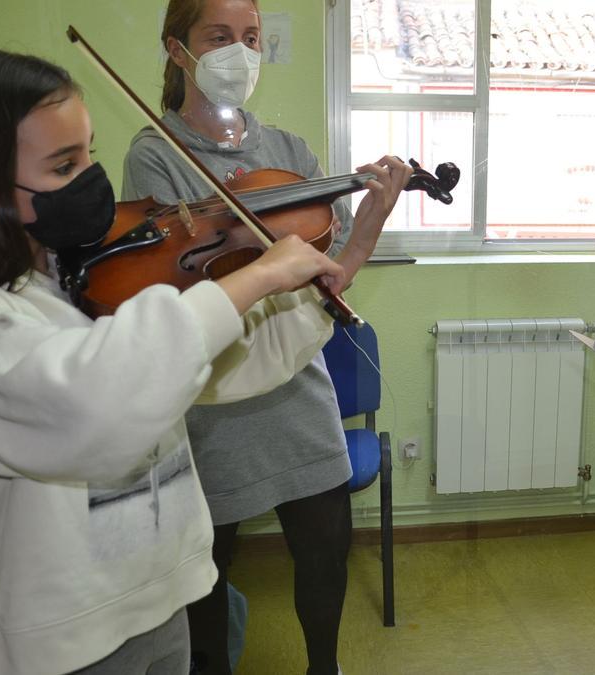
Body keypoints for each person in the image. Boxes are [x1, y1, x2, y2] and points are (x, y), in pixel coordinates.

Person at [0, 48, 353, 675]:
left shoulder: (84, 283)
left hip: (164, 598)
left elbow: (227, 366)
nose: (93, 180)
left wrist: (305, 282)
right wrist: (252, 279)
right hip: (72, 641)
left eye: (90, 153)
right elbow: (100, 405)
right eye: (65, 164)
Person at [122, 1, 412, 673]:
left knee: (323, 551)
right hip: (214, 395)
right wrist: (263, 263)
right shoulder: (155, 154)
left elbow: (330, 281)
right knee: (208, 576)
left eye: (250, 37)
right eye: (218, 37)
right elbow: (181, 291)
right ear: (178, 50)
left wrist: (369, 220)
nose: (239, 53)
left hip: (295, 384)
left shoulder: (289, 152)